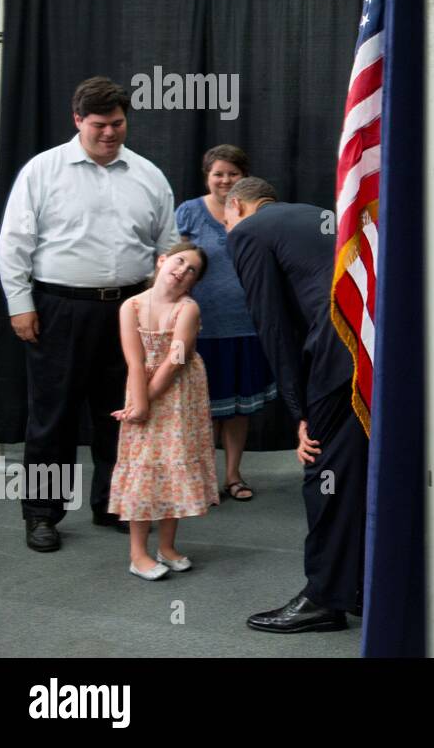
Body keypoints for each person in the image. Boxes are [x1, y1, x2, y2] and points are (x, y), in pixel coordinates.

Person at [0, 76, 179, 552]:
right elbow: (14, 244)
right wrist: (20, 305)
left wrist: (160, 308)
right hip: (58, 309)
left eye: (118, 123)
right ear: (77, 120)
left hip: (130, 310)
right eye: (99, 124)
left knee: (122, 413)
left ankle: (113, 503)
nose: (109, 133)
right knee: (52, 418)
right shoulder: (43, 170)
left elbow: (168, 247)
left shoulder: (149, 175)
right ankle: (42, 514)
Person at [223, 177, 368, 632]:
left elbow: (273, 326)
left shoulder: (249, 232)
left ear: (239, 207)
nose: (227, 232)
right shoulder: (313, 213)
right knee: (358, 473)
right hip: (374, 343)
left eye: (226, 220)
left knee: (324, 472)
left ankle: (324, 598)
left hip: (339, 354)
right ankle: (362, 585)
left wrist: (299, 411)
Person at [109, 242, 220, 580]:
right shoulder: (131, 305)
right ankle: (138, 553)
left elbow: (175, 361)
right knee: (144, 467)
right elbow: (134, 358)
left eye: (192, 271)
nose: (183, 270)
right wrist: (138, 401)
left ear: (193, 283)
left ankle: (167, 546)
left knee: (172, 465)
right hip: (142, 385)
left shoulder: (188, 309)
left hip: (179, 393)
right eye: (180, 261)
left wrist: (146, 402)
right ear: (161, 261)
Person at [175, 145, 278, 502]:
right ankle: (202, 482)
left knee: (238, 410)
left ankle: (233, 476)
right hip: (200, 327)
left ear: (244, 177)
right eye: (218, 173)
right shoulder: (188, 212)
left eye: (233, 174)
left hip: (247, 325)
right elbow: (176, 265)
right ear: (207, 176)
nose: (225, 180)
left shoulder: (258, 213)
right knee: (201, 410)